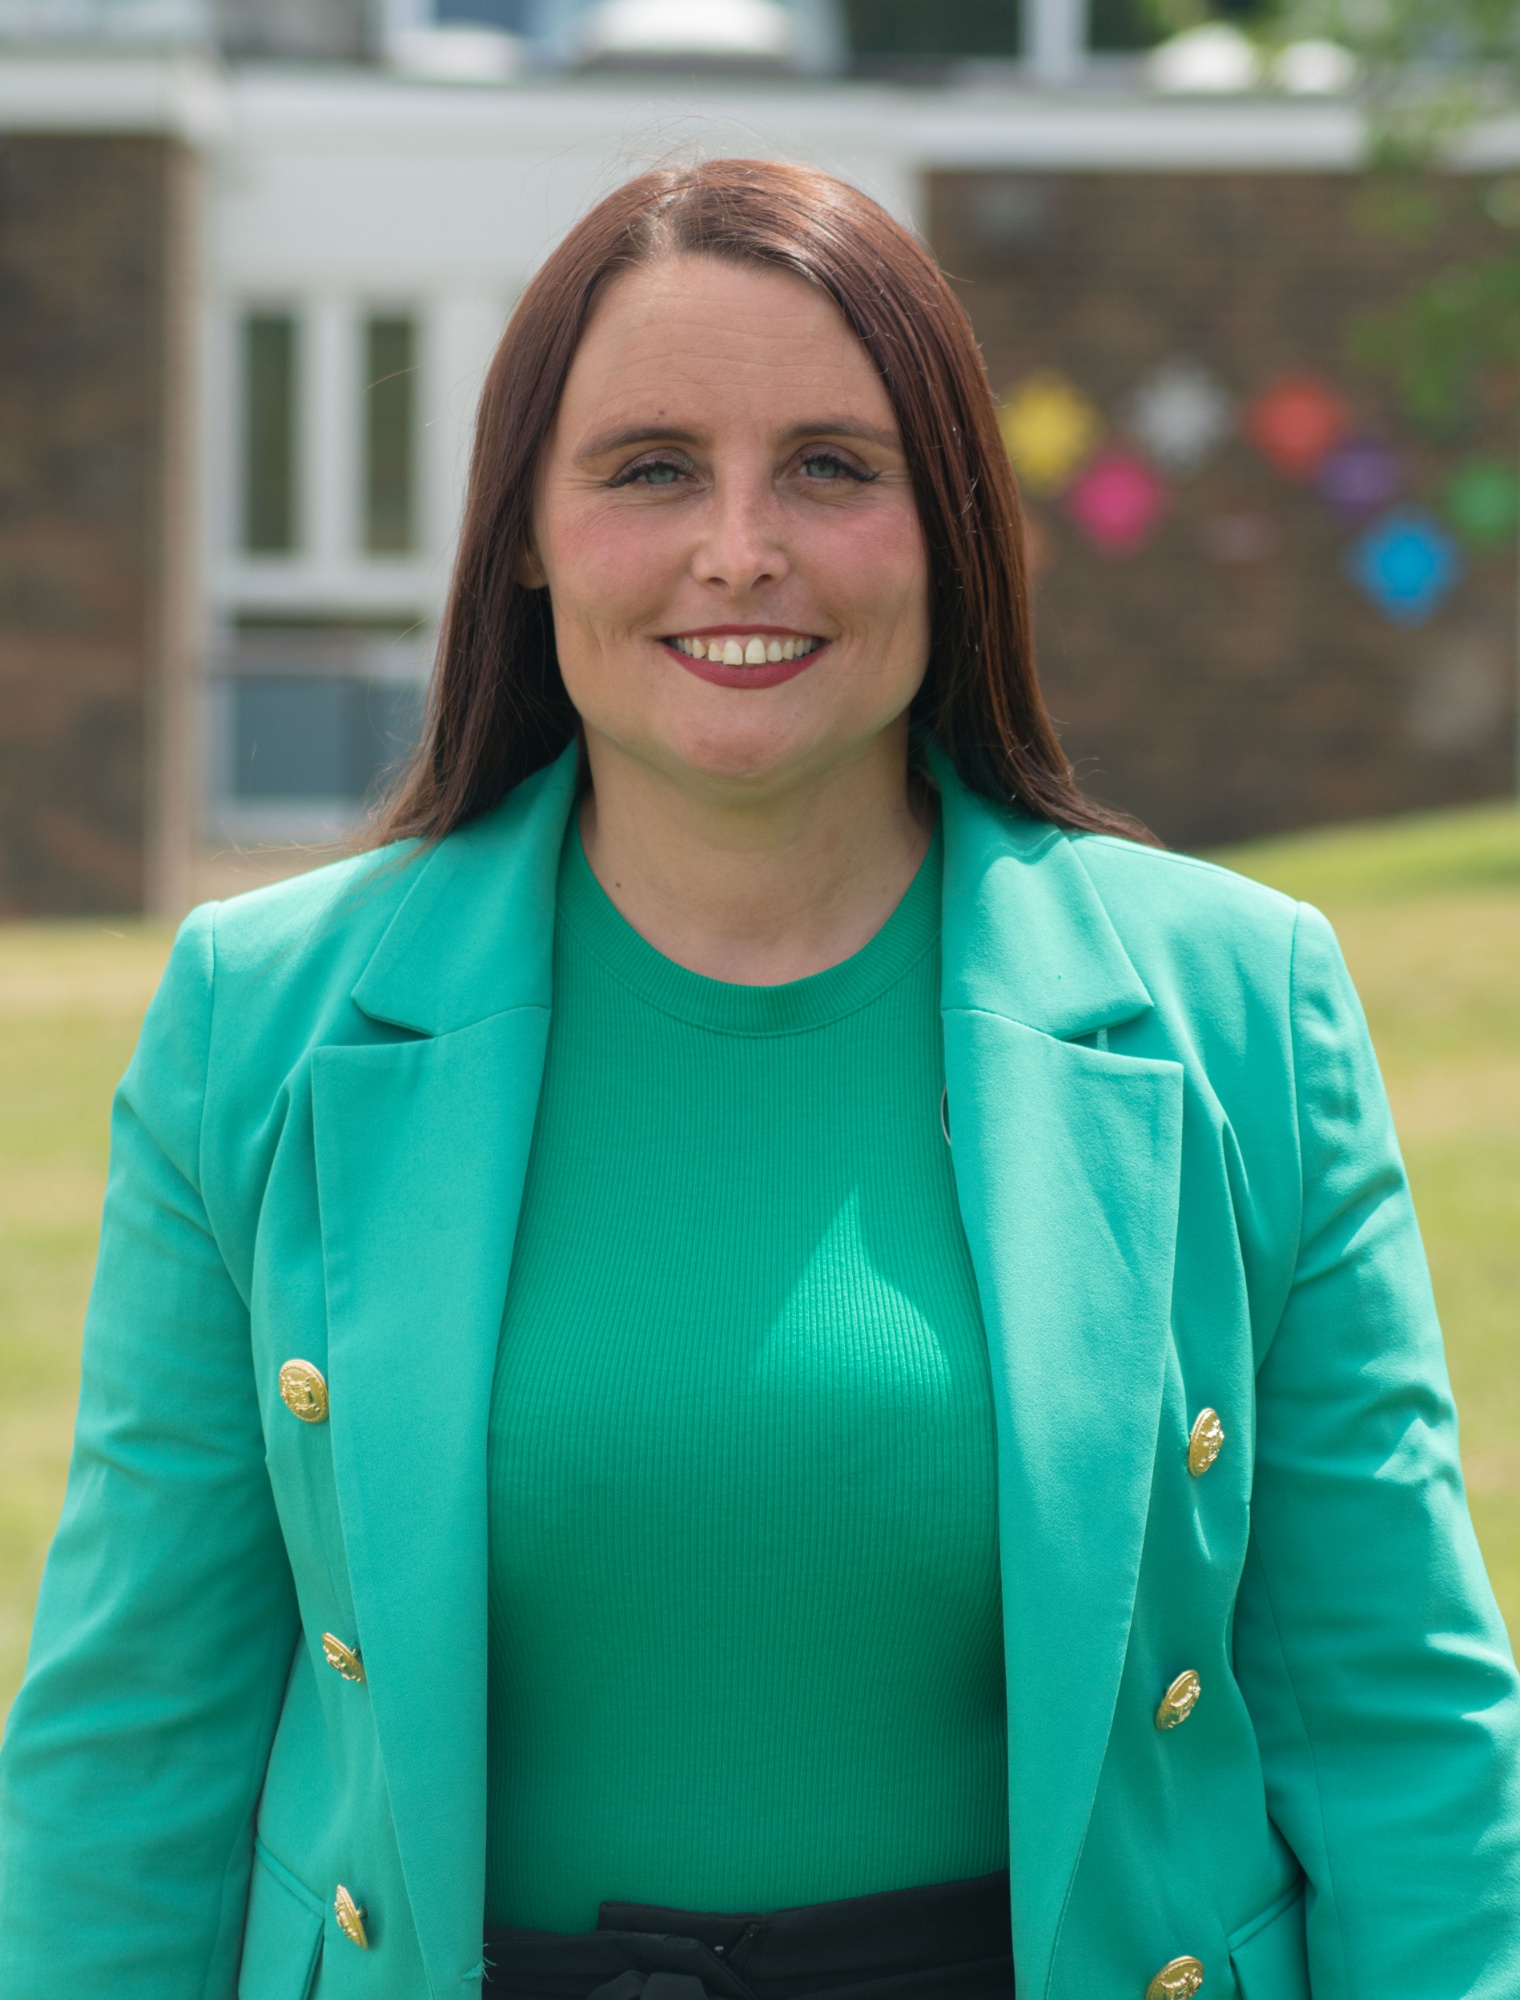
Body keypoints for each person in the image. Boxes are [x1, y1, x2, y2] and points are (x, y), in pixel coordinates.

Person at [0, 158, 1516, 2000]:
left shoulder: (1240, 1011)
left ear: (949, 520)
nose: (741, 549)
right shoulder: (264, 1020)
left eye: (832, 465)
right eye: (649, 468)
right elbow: (134, 1740)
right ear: (528, 534)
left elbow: (1400, 1729)